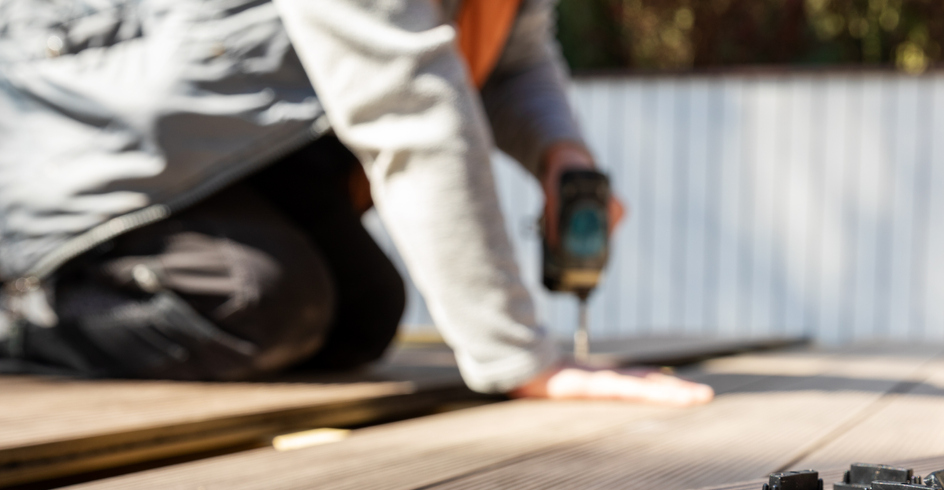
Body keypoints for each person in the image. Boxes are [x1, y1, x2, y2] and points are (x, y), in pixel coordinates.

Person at [0, 0, 712, 407]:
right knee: (259, 300)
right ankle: (18, 312)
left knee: (361, 315)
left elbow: (517, 52)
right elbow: (406, 101)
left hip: (231, 156)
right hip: (78, 158)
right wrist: (524, 360)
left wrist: (563, 154)